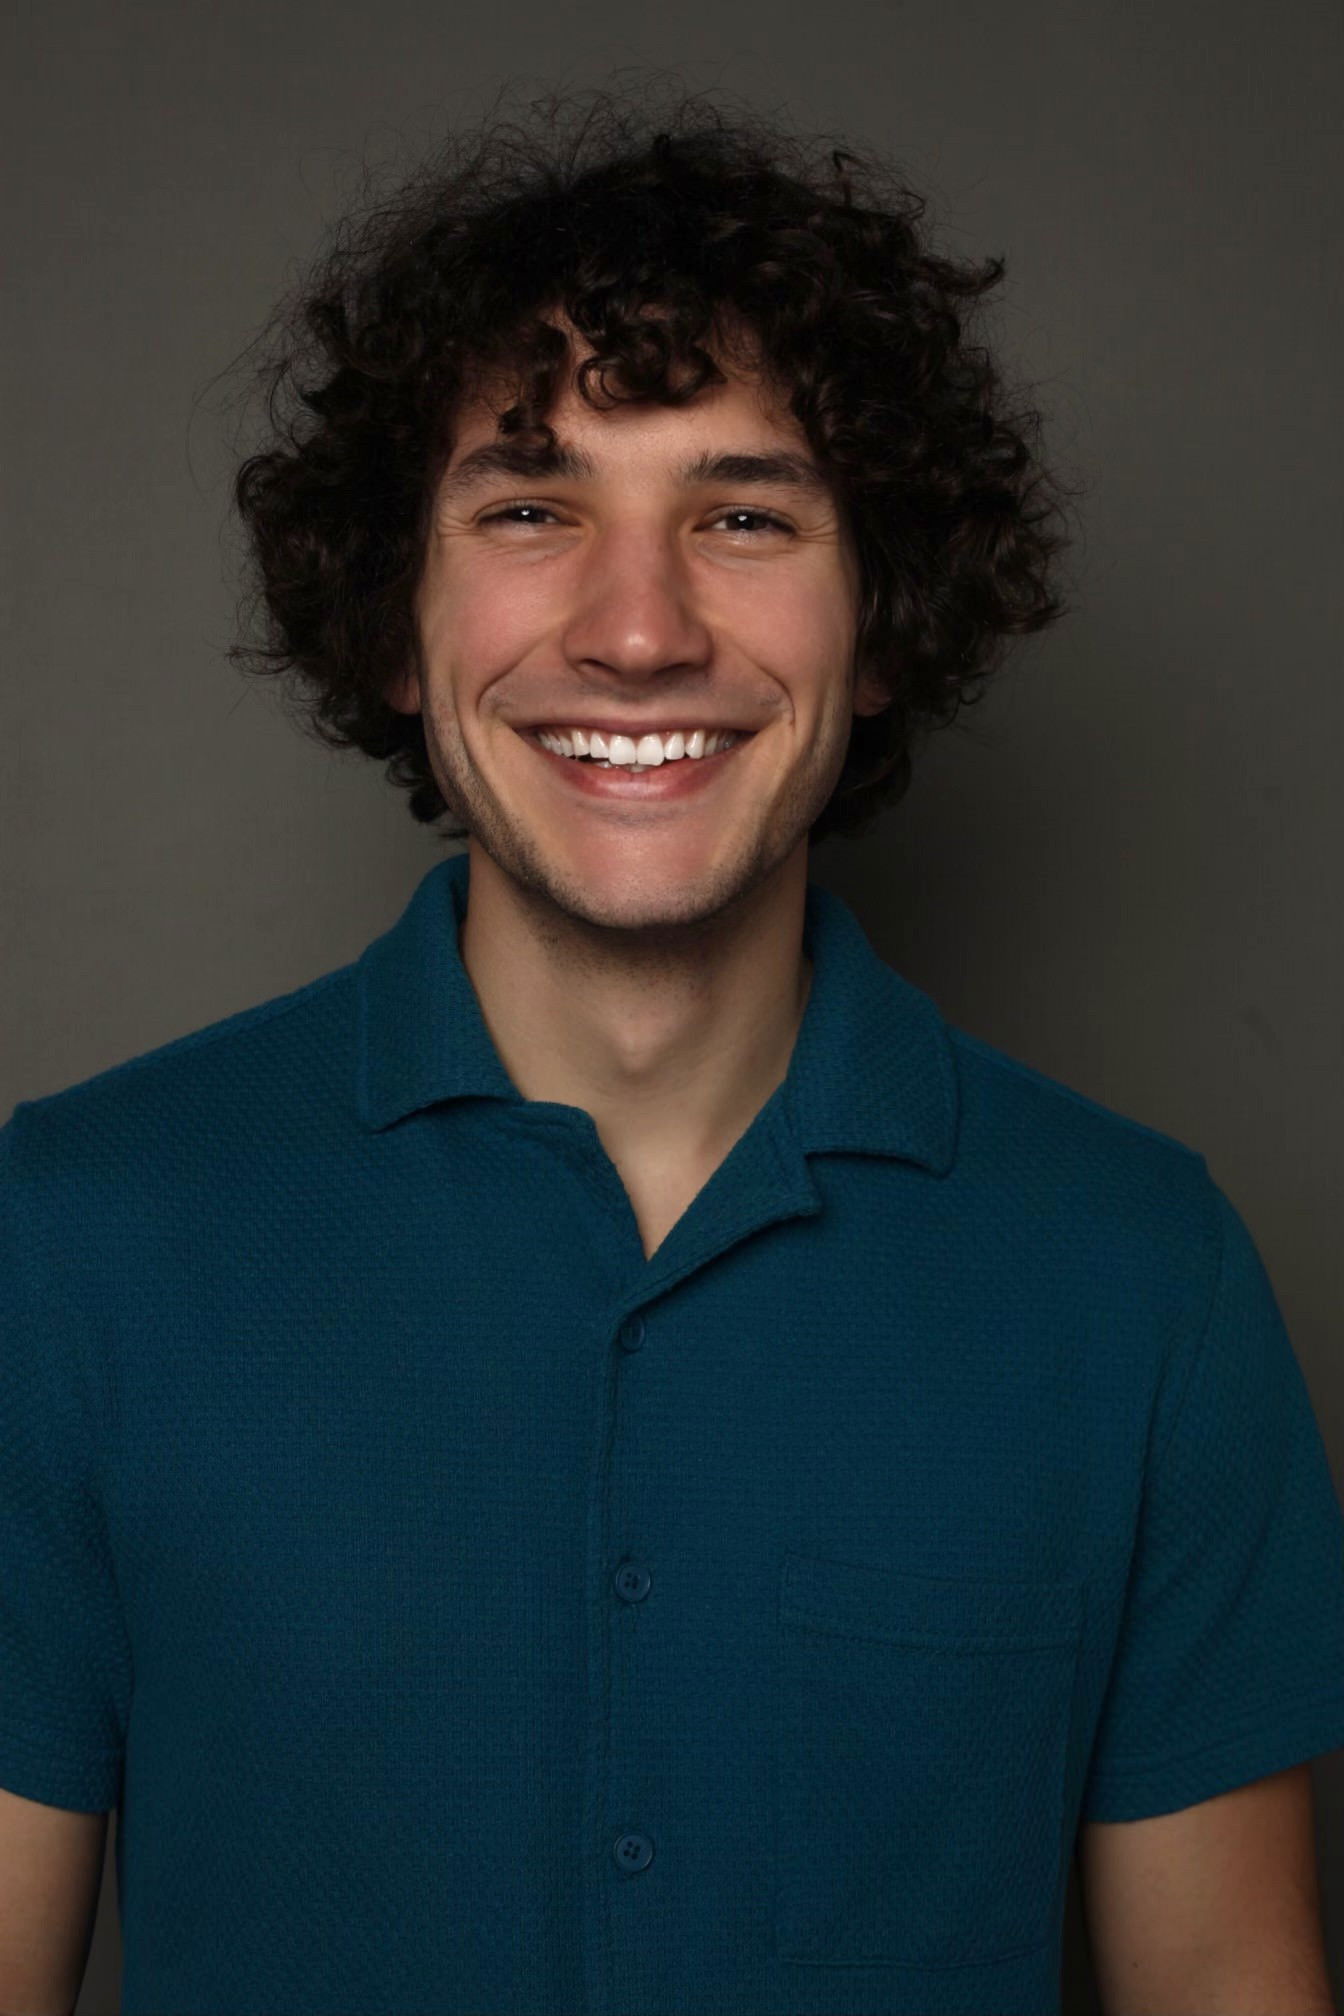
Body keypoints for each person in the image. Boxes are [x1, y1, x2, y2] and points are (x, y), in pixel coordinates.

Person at [2, 80, 1342, 2016]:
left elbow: (1228, 1981)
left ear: (884, 624)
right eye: (531, 510)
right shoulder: (68, 1243)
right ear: (394, 621)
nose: (639, 632)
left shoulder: (1147, 1283)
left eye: (743, 516)